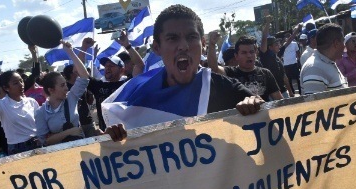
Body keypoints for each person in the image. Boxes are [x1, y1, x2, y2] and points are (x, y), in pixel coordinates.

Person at [101, 4, 261, 133]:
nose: (183, 46)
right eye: (172, 38)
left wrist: (256, 105)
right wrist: (114, 141)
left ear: (203, 44)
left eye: (192, 37)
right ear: (157, 48)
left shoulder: (225, 88)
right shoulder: (139, 95)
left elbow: (272, 118)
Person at [35, 41, 113, 146]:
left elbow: (84, 77)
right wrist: (69, 132)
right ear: (51, 90)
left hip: (79, 147)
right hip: (58, 155)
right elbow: (43, 141)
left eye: (66, 84)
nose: (66, 88)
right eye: (62, 85)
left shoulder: (71, 97)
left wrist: (70, 52)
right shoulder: (41, 112)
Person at [0, 69, 41, 155]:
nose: (21, 85)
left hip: (37, 144)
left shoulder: (31, 101)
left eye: (21, 81)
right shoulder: (1, 104)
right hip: (17, 149)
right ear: (6, 87)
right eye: (15, 83)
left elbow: (40, 122)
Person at [208, 33, 282, 101]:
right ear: (236, 56)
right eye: (244, 53)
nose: (249, 55)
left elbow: (279, 100)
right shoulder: (230, 72)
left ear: (256, 54)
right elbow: (214, 69)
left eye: (251, 52)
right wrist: (212, 45)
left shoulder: (266, 73)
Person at [300, 23, 349, 95]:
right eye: (343, 41)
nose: (344, 46)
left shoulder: (327, 62)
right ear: (336, 43)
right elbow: (313, 104)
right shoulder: (314, 69)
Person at [260, 15, 294, 97]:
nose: (279, 46)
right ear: (270, 47)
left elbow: (284, 77)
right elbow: (264, 38)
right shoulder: (265, 56)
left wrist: (290, 91)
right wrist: (268, 22)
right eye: (276, 44)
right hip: (271, 94)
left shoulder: (277, 56)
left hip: (283, 91)